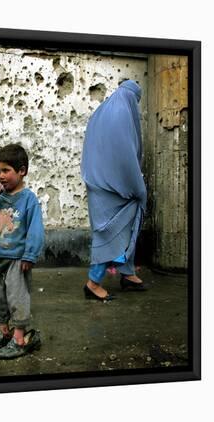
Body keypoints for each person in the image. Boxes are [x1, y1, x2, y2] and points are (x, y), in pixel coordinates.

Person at [80, 80, 148, 301]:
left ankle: (127, 273)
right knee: (108, 234)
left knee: (125, 228)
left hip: (100, 184)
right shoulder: (121, 114)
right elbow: (125, 157)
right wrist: (137, 187)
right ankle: (93, 283)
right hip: (113, 189)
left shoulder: (102, 112)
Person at [0, 144, 44, 359]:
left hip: (17, 259)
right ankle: (4, 334)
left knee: (17, 298)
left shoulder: (28, 199)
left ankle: (20, 338)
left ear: (22, 171)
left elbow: (35, 230)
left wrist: (30, 255)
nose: (1, 176)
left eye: (6, 170)